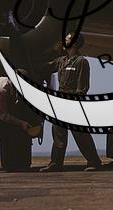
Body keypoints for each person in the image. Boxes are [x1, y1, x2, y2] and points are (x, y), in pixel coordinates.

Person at [39, 33, 102, 172]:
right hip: (60, 104)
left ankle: (94, 162)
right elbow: (45, 67)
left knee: (80, 135)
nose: (63, 41)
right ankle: (56, 163)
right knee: (58, 134)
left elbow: (83, 87)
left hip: (73, 104)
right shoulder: (61, 61)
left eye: (66, 40)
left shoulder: (81, 62)